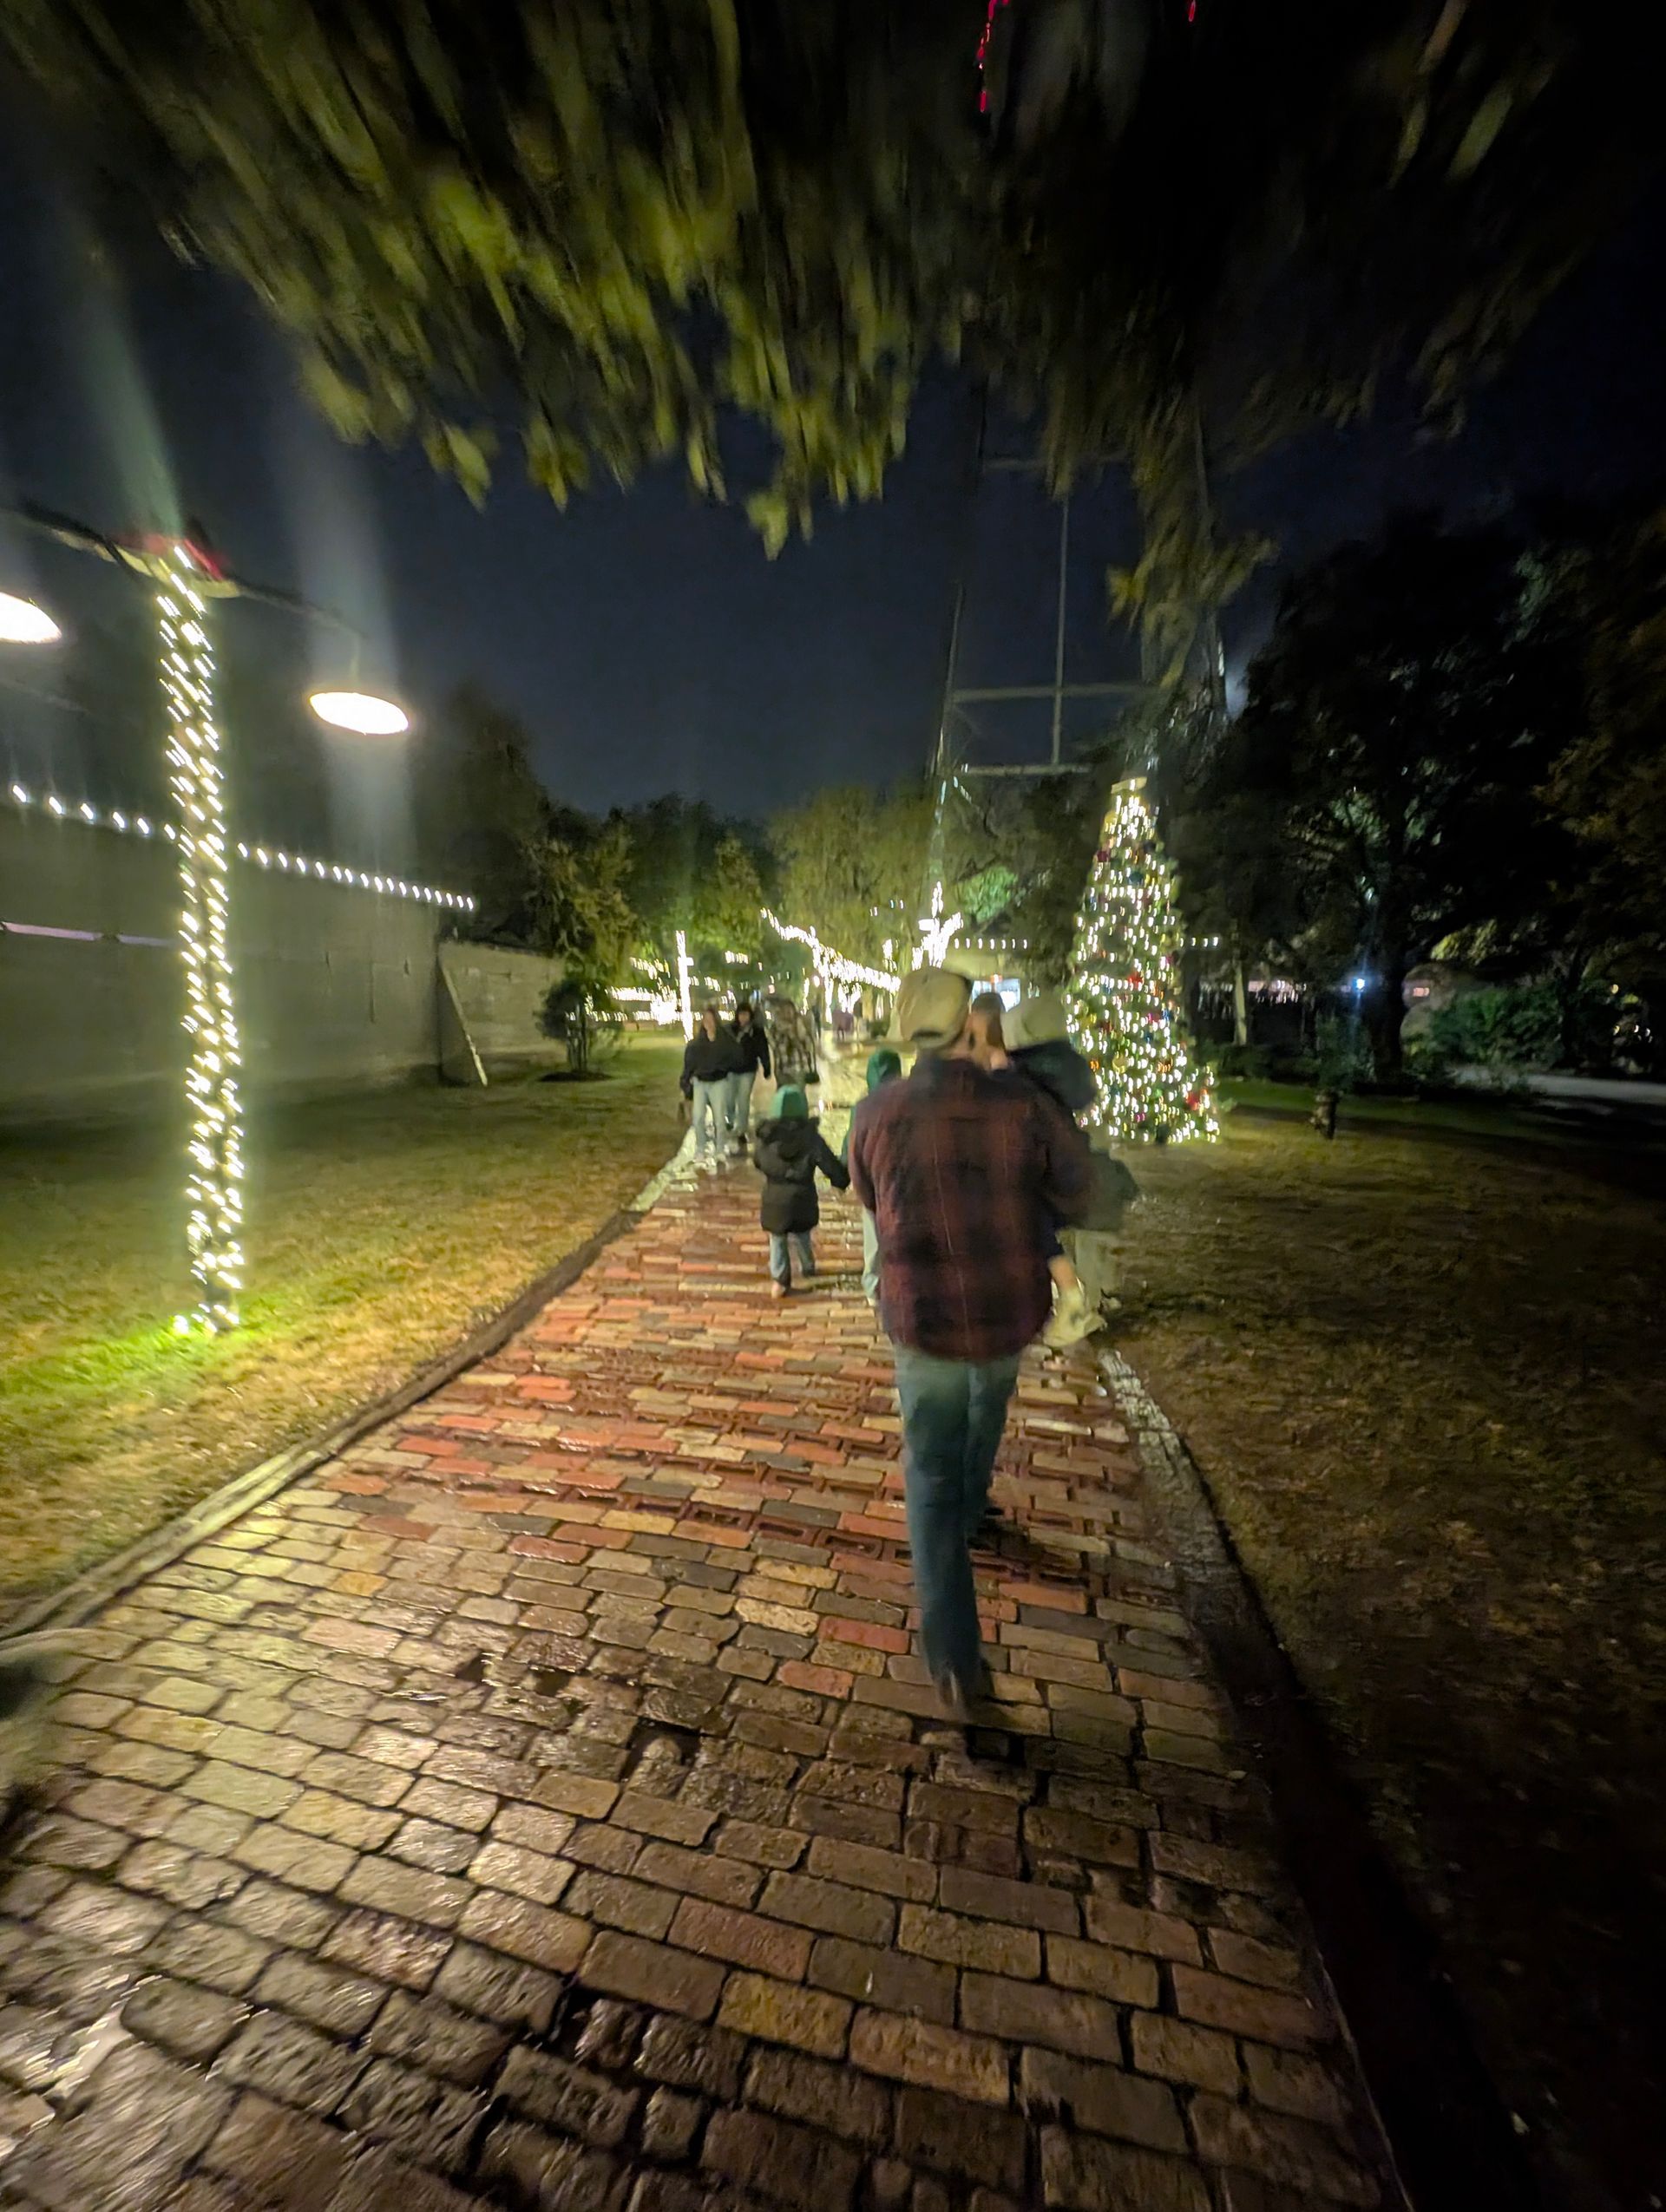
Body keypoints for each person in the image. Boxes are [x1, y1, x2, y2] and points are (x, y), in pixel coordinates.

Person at [848, 967, 1092, 1718]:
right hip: (1003, 1308)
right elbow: (1080, 1189)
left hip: (922, 1317)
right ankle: (974, 1500)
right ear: (971, 1028)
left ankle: (954, 1661)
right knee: (986, 1408)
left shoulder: (875, 1112)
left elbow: (868, 1195)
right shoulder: (1020, 1105)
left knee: (930, 1476)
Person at [971, 991, 1099, 1349]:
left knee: (1032, 1225)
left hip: (1040, 1175)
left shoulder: (1005, 1076)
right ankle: (1067, 1300)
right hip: (1054, 1168)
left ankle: (1072, 1302)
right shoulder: (1021, 1070)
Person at [1005, 991, 1139, 1328]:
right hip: (1081, 1159)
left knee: (1048, 1224)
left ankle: (1077, 1302)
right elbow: (1086, 1098)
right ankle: (1094, 1298)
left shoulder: (1020, 1070)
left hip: (1051, 1162)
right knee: (1087, 1228)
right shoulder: (1071, 1063)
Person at [751, 1084, 849, 1297]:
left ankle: (780, 1280)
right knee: (803, 1234)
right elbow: (828, 1163)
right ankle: (807, 1266)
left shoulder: (765, 1138)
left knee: (777, 1239)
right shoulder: (811, 1137)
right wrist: (841, 1180)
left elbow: (758, 1162)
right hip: (803, 1196)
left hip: (774, 1198)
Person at [841, 1046, 902, 1306]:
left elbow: (851, 1147)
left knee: (873, 1235)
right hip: (900, 1178)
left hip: (874, 1178)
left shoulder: (863, 1107)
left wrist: (849, 1175)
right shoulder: (909, 1102)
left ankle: (875, 1284)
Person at [680, 1004, 741, 1172]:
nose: (708, 1022)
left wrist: (726, 1070)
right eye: (705, 1019)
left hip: (719, 1083)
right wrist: (686, 1083)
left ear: (715, 1020)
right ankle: (700, 1149)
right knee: (698, 1117)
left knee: (719, 1118)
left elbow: (735, 1055)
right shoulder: (697, 1043)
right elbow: (689, 1063)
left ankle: (720, 1149)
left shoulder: (724, 1040)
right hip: (701, 1083)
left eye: (710, 1019)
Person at [725, 999, 771, 1155]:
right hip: (731, 1070)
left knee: (743, 1099)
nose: (743, 1018)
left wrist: (767, 1067)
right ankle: (729, 1122)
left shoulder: (756, 1031)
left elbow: (763, 1049)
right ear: (737, 1015)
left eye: (746, 1014)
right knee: (730, 1099)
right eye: (741, 1014)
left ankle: (741, 1130)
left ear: (750, 1016)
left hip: (748, 1071)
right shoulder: (730, 1030)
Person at [764, 991, 821, 1098]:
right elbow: (774, 1045)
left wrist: (796, 1034)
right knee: (784, 1099)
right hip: (783, 1069)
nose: (788, 1013)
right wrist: (785, 1032)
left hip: (799, 1067)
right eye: (785, 1011)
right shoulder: (775, 1028)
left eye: (790, 1010)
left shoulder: (801, 1026)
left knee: (799, 1098)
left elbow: (808, 1046)